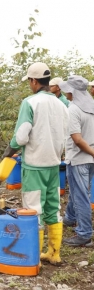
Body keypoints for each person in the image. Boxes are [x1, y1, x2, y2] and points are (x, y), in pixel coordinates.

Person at [3, 62, 69, 265]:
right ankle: (54, 253)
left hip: (34, 166)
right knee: (53, 207)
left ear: (33, 81)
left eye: (29, 82)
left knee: (33, 210)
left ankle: (34, 257)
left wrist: (9, 151)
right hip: (54, 165)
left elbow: (21, 136)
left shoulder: (30, 103)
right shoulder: (62, 104)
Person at [58, 75, 94, 247]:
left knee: (80, 196)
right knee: (78, 191)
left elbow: (77, 139)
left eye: (67, 90)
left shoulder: (74, 109)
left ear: (72, 91)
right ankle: (70, 218)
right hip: (91, 158)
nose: (65, 92)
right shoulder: (92, 105)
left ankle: (85, 233)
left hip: (80, 158)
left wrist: (91, 152)